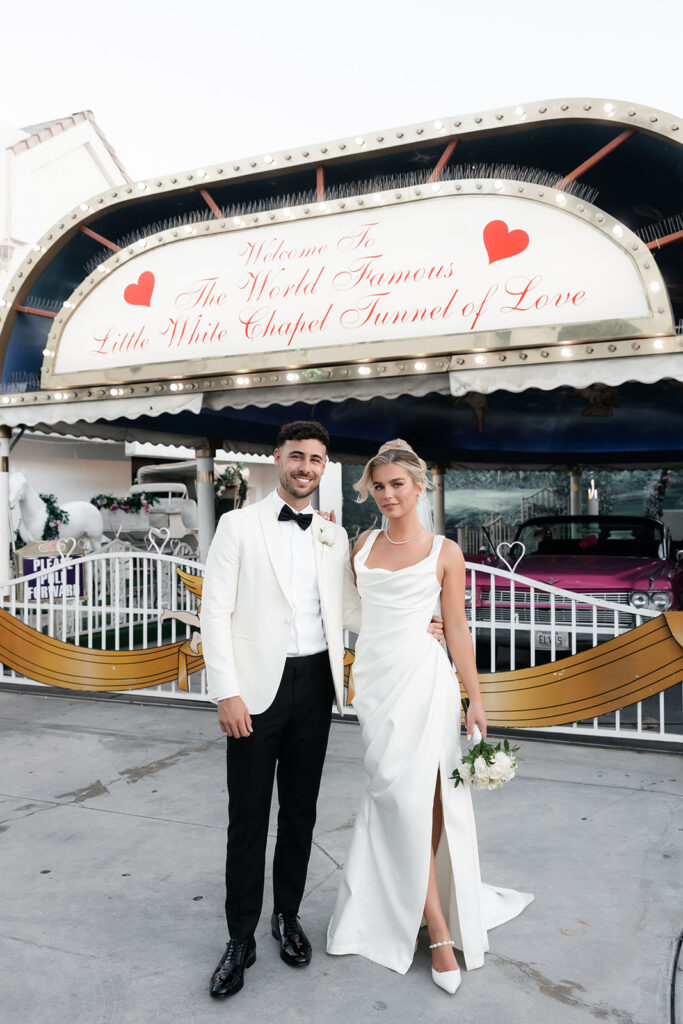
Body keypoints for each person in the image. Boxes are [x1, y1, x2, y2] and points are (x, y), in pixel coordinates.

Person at [200, 421, 443, 999]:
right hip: (254, 691)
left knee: (301, 814)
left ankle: (287, 918)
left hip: (316, 684)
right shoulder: (237, 526)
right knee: (248, 818)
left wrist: (419, 623)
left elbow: (356, 609)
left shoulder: (333, 537)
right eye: (297, 456)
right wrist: (225, 690)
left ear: (324, 467)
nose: (306, 467)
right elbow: (215, 612)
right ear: (277, 458)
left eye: (316, 459)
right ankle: (239, 939)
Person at [327, 439, 533, 994]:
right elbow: (348, 611)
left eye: (398, 484)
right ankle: (426, 911)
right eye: (379, 485)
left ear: (420, 487)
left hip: (427, 679)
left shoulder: (445, 551)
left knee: (432, 794)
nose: (388, 494)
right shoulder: (359, 545)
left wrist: (475, 697)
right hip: (376, 682)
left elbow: (458, 627)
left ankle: (437, 925)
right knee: (394, 794)